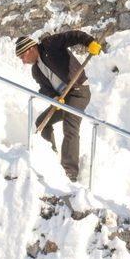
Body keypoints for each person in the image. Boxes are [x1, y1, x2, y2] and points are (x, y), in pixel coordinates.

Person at [15, 31, 101, 182]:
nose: (23, 61)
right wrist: (53, 98)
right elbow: (44, 88)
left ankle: (70, 171)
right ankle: (50, 156)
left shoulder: (49, 44)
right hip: (62, 98)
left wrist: (89, 42)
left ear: (30, 49)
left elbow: (73, 36)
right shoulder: (36, 71)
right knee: (42, 123)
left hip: (78, 91)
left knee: (70, 126)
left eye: (23, 56)